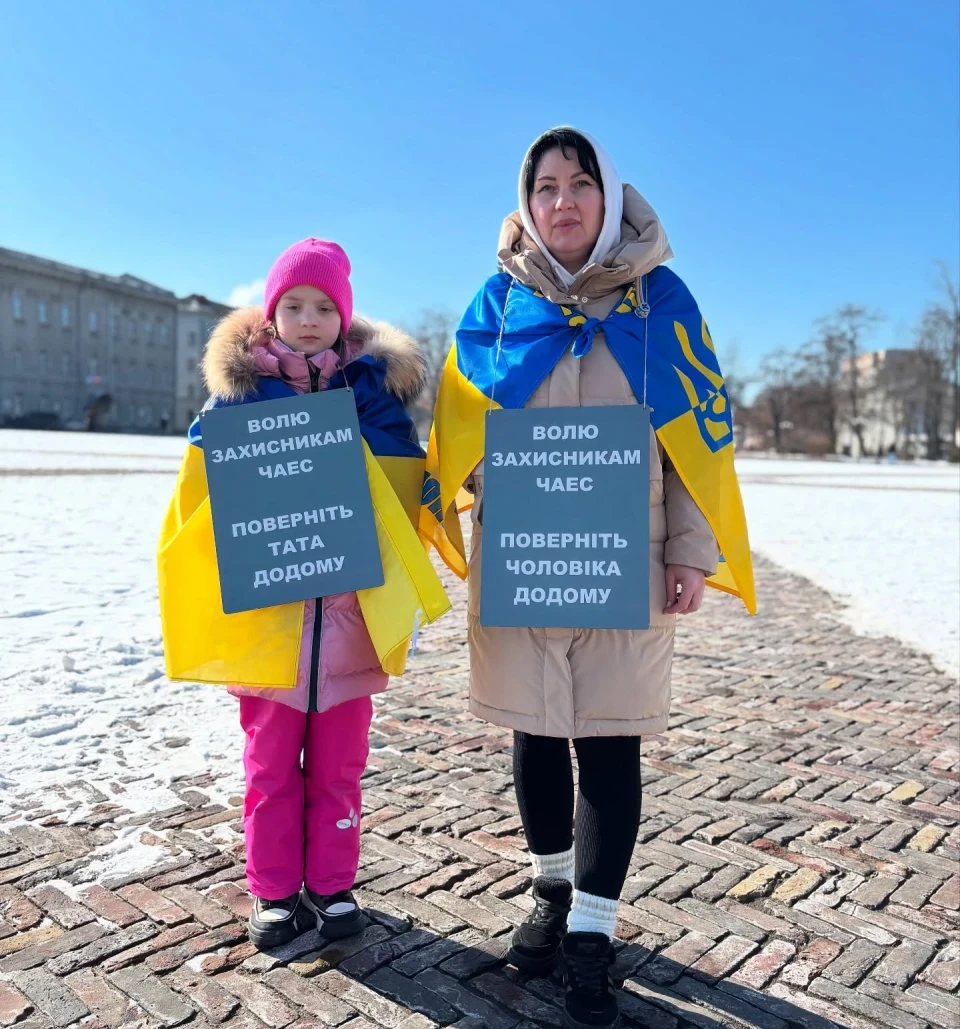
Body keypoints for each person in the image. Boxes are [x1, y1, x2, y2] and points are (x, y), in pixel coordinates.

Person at [422, 130, 754, 1029]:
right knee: (532, 731)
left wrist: (691, 547)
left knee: (609, 741)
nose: (561, 202)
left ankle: (593, 937)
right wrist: (457, 507)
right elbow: (458, 430)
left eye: (579, 185)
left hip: (627, 557)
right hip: (525, 556)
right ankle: (550, 893)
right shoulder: (495, 305)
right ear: (525, 202)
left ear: (609, 197)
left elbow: (699, 442)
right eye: (545, 187)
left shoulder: (664, 303)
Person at [158, 239, 449, 950]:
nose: (309, 318)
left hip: (350, 621)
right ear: (271, 313)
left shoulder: (374, 397)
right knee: (268, 766)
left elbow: (404, 480)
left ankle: (333, 883)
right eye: (293, 305)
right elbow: (204, 482)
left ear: (344, 317)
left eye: (324, 307)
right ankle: (274, 889)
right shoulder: (239, 395)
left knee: (341, 765)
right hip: (270, 627)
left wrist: (400, 475)